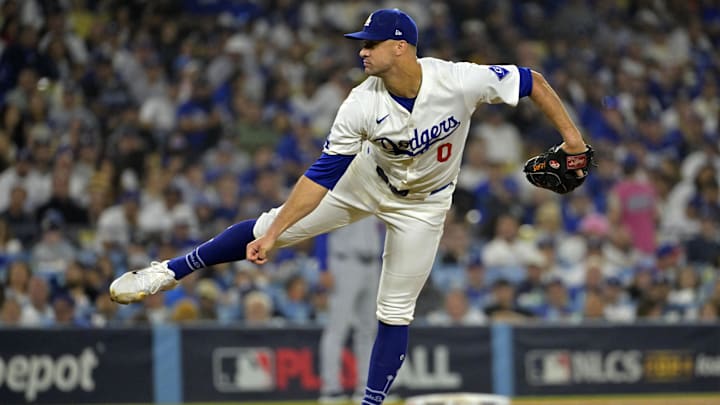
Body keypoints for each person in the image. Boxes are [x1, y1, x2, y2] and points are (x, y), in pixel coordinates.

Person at [110, 8, 588, 404]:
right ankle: (169, 271)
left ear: (400, 46)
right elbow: (320, 176)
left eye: (371, 43)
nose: (361, 50)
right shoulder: (360, 103)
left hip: (424, 205)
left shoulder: (459, 80)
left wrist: (573, 143)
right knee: (267, 224)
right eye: (362, 42)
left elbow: (532, 81)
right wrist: (274, 237)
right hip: (366, 180)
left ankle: (370, 403)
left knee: (395, 310)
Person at [318, 217, 382, 403]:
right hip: (344, 262)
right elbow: (321, 230)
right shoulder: (338, 190)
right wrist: (323, 266)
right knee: (337, 328)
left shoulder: (377, 191)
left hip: (372, 264)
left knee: (368, 330)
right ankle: (331, 389)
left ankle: (365, 387)